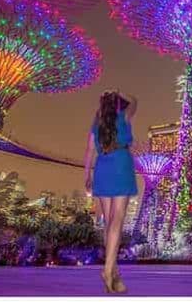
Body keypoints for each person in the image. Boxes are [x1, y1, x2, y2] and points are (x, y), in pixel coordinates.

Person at [83, 90, 138, 294]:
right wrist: (120, 92)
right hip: (121, 165)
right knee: (117, 220)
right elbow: (135, 100)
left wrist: (87, 175)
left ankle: (114, 272)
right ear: (118, 105)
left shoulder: (97, 123)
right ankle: (107, 271)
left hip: (102, 167)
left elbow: (89, 150)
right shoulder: (123, 116)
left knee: (108, 222)